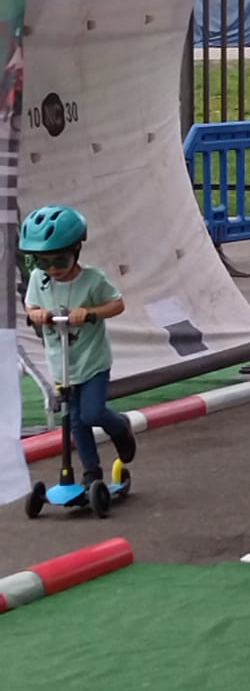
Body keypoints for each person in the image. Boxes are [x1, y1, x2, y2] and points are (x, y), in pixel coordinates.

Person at [20, 204, 137, 482]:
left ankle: (120, 427)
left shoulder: (93, 280)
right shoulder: (40, 280)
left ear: (76, 251)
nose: (52, 269)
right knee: (75, 422)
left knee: (92, 413)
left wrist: (91, 313)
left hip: (92, 362)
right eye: (42, 262)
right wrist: (36, 314)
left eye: (59, 261)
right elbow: (30, 305)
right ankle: (91, 473)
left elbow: (117, 304)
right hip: (62, 367)